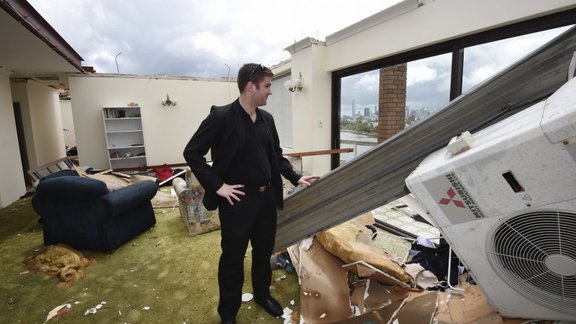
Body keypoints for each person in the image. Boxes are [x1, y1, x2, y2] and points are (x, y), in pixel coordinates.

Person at [183, 63, 319, 324]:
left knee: (262, 252)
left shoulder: (267, 120)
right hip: (237, 202)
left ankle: (261, 295)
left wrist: (296, 177)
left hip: (266, 199)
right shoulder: (221, 117)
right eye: (267, 86)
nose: (270, 92)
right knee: (233, 259)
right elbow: (192, 152)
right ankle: (228, 314)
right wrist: (218, 186)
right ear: (250, 86)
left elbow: (276, 157)